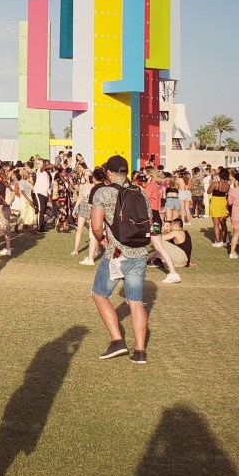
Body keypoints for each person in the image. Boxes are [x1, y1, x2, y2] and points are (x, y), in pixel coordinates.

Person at [90, 155, 152, 364]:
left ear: (108, 172)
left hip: (116, 252)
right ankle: (140, 351)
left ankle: (117, 341)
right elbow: (149, 220)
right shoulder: (139, 192)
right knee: (136, 302)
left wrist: (102, 240)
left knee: (99, 294)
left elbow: (97, 226)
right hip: (139, 252)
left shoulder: (103, 193)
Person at [207, 167, 230, 247]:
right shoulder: (227, 185)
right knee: (223, 223)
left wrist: (210, 183)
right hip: (223, 202)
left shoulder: (215, 183)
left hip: (215, 202)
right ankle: (224, 241)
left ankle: (218, 241)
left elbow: (208, 191)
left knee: (216, 224)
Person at [33, 158, 51, 232]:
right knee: (40, 210)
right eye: (38, 164)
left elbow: (47, 184)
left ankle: (42, 225)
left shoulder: (46, 173)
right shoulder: (39, 171)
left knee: (43, 210)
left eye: (40, 163)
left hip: (44, 193)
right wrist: (55, 164)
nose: (39, 165)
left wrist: (48, 194)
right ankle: (39, 227)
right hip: (38, 192)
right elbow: (44, 167)